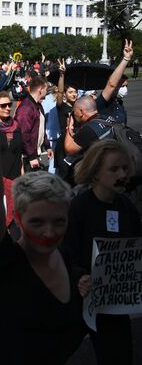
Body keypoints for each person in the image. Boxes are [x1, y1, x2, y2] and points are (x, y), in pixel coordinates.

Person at [0, 74, 86, 364]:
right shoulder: (6, 262)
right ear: (18, 217)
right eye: (37, 222)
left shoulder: (67, 259)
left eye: (59, 222)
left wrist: (84, 280)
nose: (49, 232)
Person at [64, 139, 140, 365]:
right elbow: (66, 250)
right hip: (78, 300)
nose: (122, 174)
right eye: (114, 169)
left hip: (112, 302)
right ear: (96, 172)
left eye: (125, 168)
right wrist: (79, 276)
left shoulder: (127, 207)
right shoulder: (79, 207)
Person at [0, 91, 23, 227]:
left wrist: (22, 178)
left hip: (15, 178)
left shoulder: (16, 126)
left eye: (9, 105)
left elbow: (19, 154)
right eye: (3, 105)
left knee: (16, 218)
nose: (7, 108)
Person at [13, 76, 53, 172]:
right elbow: (23, 134)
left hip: (34, 154)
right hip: (26, 157)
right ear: (41, 89)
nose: (47, 92)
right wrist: (31, 156)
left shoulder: (37, 106)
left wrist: (47, 146)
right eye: (46, 89)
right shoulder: (26, 108)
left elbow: (40, 128)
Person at [94, 40, 133, 125]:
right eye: (122, 86)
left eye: (126, 86)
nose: (125, 89)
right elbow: (111, 84)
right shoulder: (102, 102)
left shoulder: (119, 103)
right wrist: (126, 59)